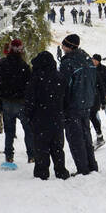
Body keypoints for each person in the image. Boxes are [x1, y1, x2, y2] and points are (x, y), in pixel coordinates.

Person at [23, 51, 70, 180]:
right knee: (58, 147)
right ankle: (61, 170)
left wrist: (28, 115)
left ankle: (42, 171)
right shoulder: (60, 77)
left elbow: (29, 100)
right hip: (57, 117)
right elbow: (66, 99)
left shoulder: (35, 79)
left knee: (41, 147)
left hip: (40, 118)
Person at [58, 35, 98, 175]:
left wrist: (62, 104)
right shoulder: (88, 60)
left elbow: (64, 86)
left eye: (64, 45)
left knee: (75, 138)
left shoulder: (68, 63)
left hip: (73, 105)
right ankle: (92, 165)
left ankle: (83, 169)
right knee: (86, 135)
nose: (62, 48)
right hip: (87, 103)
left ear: (69, 46)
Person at [0, 39, 32, 169]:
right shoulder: (24, 66)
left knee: (9, 131)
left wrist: (1, 97)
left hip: (7, 101)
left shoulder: (1, 64)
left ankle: (9, 156)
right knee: (28, 130)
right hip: (21, 102)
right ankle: (31, 155)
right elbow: (29, 84)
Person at [90, 53, 106, 146]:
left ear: (99, 61)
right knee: (95, 112)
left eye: (95, 60)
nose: (94, 61)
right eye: (93, 59)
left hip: (103, 93)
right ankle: (98, 127)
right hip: (94, 95)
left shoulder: (104, 69)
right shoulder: (91, 69)